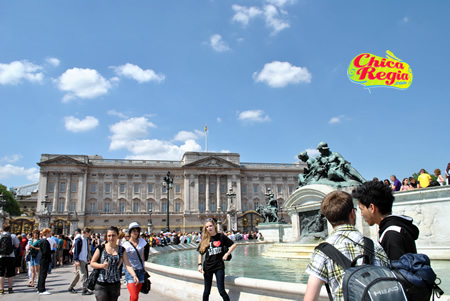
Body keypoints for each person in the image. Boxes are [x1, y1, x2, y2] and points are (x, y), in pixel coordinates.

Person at [304, 191, 389, 301]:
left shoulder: (322, 252)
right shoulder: (375, 246)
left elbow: (310, 299)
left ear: (328, 219)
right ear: (353, 213)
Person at [352, 180, 419, 260]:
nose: (361, 214)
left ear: (372, 208)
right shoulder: (395, 229)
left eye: (361, 209)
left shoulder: (392, 236)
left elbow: (397, 271)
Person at [90, 226, 138, 301]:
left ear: (117, 236)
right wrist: (102, 266)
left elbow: (127, 264)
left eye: (113, 235)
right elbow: (92, 263)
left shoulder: (122, 250)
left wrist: (134, 275)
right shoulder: (101, 248)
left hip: (115, 284)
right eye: (109, 235)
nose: (111, 238)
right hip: (101, 283)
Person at [197, 218, 236, 301]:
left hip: (219, 266)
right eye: (207, 227)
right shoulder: (205, 239)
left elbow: (233, 245)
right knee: (207, 291)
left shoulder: (221, 236)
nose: (209, 228)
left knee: (221, 290)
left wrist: (227, 253)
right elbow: (200, 253)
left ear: (215, 226)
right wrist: (199, 265)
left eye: (210, 226)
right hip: (207, 267)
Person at [122, 222, 150, 301]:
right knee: (134, 296)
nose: (136, 233)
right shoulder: (125, 245)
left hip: (140, 271)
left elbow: (143, 257)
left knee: (135, 296)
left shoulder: (142, 242)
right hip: (131, 272)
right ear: (130, 232)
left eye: (137, 231)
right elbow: (123, 259)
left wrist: (144, 268)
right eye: (134, 231)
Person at [68, 227, 92, 295]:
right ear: (86, 233)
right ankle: (84, 289)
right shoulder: (79, 240)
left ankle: (71, 287)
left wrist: (88, 257)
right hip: (80, 259)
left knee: (78, 275)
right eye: (89, 233)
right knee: (84, 274)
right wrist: (76, 260)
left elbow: (86, 249)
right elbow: (76, 251)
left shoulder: (85, 239)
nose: (90, 234)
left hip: (84, 259)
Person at [0, 225, 20, 294]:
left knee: (1, 273)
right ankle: (10, 288)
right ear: (9, 229)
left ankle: (1, 289)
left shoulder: (0, 236)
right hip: (11, 255)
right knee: (10, 273)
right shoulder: (13, 236)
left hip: (1, 256)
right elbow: (17, 245)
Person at [37, 228, 52, 295]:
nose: (51, 234)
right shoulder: (45, 241)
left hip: (42, 258)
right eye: (50, 232)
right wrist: (52, 251)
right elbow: (46, 252)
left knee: (41, 274)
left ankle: (40, 288)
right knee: (43, 274)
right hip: (44, 259)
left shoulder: (42, 240)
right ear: (47, 233)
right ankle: (42, 289)